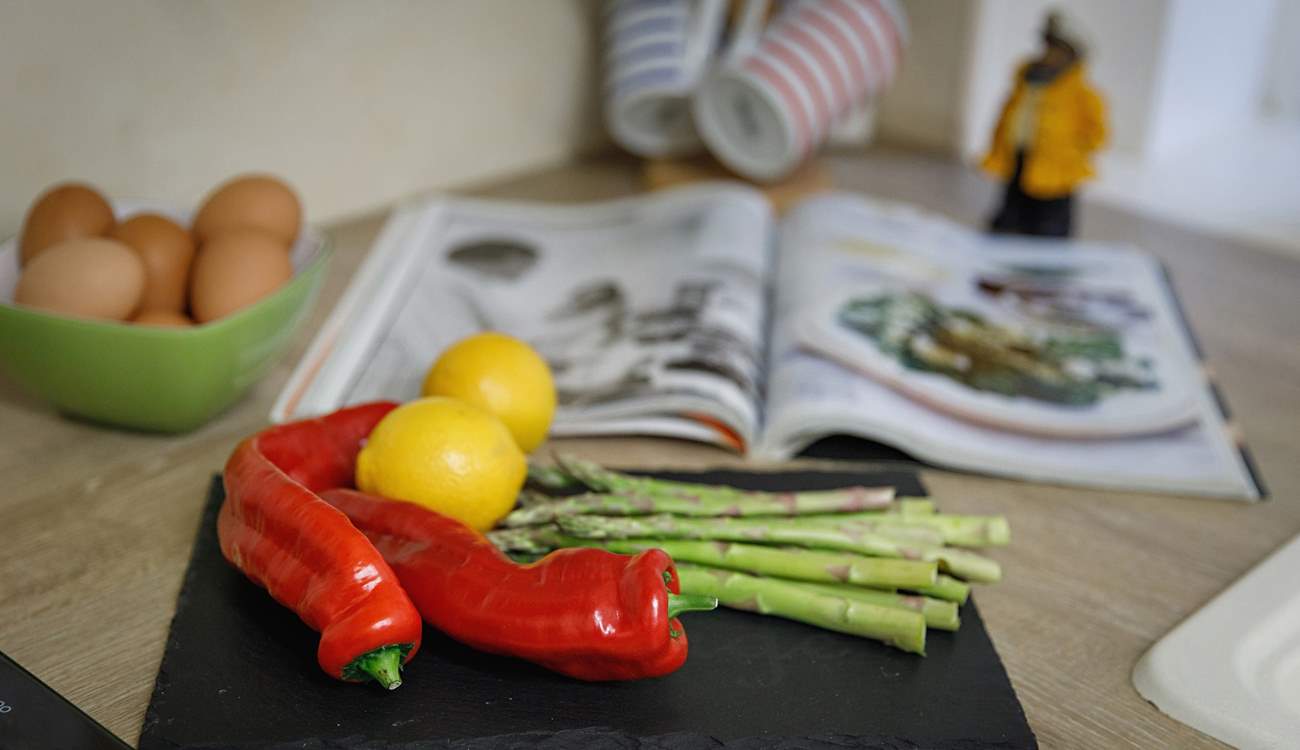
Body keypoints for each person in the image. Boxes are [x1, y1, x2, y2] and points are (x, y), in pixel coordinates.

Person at [981, 10, 1107, 237]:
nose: (1050, 54)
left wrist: (1073, 151)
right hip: (1021, 153)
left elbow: (1096, 132)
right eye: (1048, 46)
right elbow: (1009, 111)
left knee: (1050, 217)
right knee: (1013, 206)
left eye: (1057, 50)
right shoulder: (1027, 79)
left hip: (1056, 166)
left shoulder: (1082, 93)